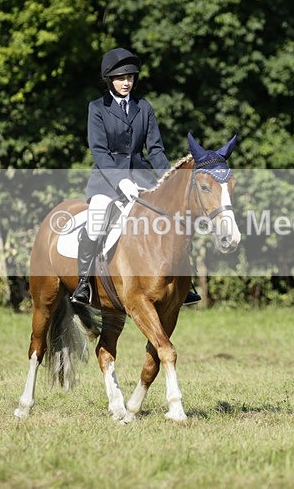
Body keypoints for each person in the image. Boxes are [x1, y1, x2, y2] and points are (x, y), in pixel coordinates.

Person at [71, 47, 201, 306]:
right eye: (121, 78)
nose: (126, 82)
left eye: (130, 77)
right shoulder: (97, 108)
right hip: (107, 180)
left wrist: (168, 180)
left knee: (173, 220)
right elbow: (99, 150)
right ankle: (84, 283)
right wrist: (121, 180)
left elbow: (155, 150)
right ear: (110, 80)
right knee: (97, 219)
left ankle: (184, 283)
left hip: (142, 178)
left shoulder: (143, 107)